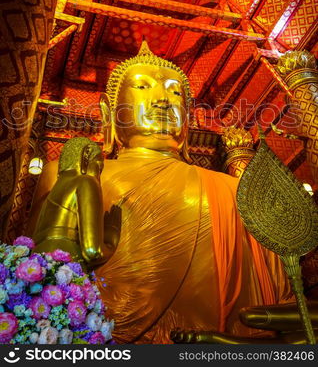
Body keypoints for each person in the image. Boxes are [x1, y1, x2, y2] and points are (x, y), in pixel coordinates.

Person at [93, 41, 291, 343]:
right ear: (109, 113)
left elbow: (278, 298)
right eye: (143, 87)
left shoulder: (235, 191)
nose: (162, 100)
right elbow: (46, 276)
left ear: (188, 118)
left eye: (175, 92)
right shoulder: (77, 178)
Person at [33, 137, 120, 269]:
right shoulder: (86, 181)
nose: (98, 176)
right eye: (99, 167)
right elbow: (93, 251)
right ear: (86, 156)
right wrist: (111, 238)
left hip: (33, 264)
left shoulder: (53, 190)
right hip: (65, 265)